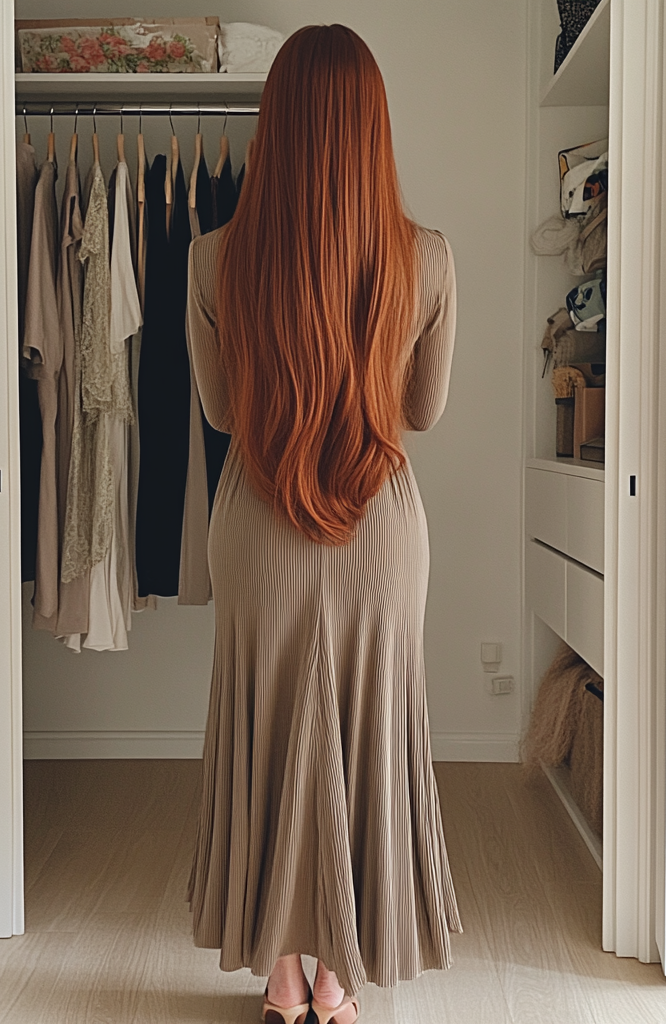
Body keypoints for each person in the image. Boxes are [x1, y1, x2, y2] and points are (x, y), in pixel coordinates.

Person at [185, 24, 460, 1024]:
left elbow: (219, 413)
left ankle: (282, 974)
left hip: (258, 522)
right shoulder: (425, 258)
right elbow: (420, 413)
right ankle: (339, 977)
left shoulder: (214, 257)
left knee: (269, 738)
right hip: (379, 531)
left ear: (275, 126)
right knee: (363, 737)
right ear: (371, 131)